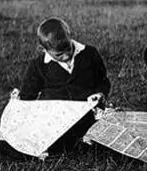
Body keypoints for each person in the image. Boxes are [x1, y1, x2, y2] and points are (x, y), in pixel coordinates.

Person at [19, 17, 110, 150]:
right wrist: (20, 106)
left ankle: (83, 140)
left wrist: (101, 94)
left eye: (68, 48)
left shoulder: (89, 54)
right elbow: (27, 96)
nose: (66, 56)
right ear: (43, 48)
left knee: (103, 138)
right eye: (59, 54)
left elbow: (103, 81)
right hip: (55, 120)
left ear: (70, 36)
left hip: (86, 114)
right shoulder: (38, 66)